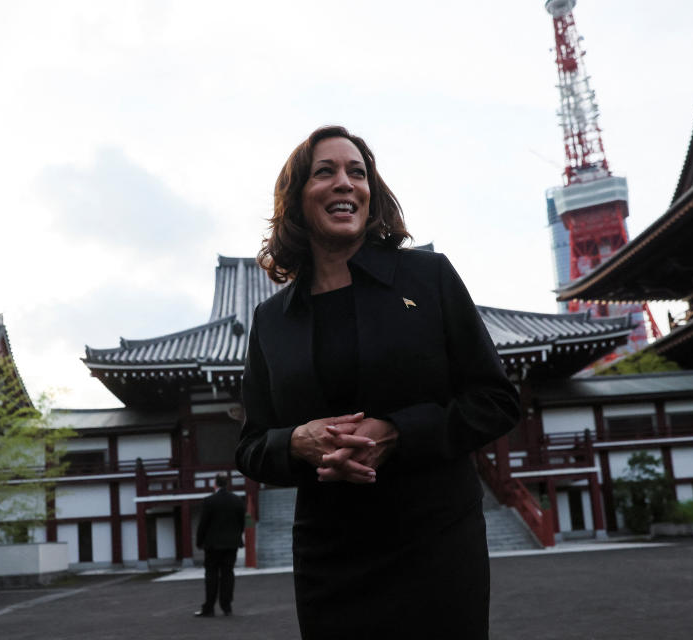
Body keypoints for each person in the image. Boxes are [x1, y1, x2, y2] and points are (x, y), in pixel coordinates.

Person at [235, 125, 520, 639]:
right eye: (326, 172)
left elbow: (497, 400)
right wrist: (296, 442)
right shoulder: (273, 319)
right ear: (298, 199)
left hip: (435, 546)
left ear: (371, 193)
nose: (345, 183)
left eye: (357, 172)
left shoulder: (428, 277)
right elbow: (252, 445)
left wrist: (398, 432)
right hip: (330, 557)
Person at [194, 473, 245, 617]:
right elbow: (241, 523)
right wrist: (236, 536)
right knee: (228, 574)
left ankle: (209, 607)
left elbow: (203, 524)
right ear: (227, 484)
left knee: (211, 574)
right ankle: (226, 606)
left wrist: (199, 541)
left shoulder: (209, 501)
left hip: (212, 545)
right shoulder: (237, 500)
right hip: (231, 544)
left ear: (215, 484)